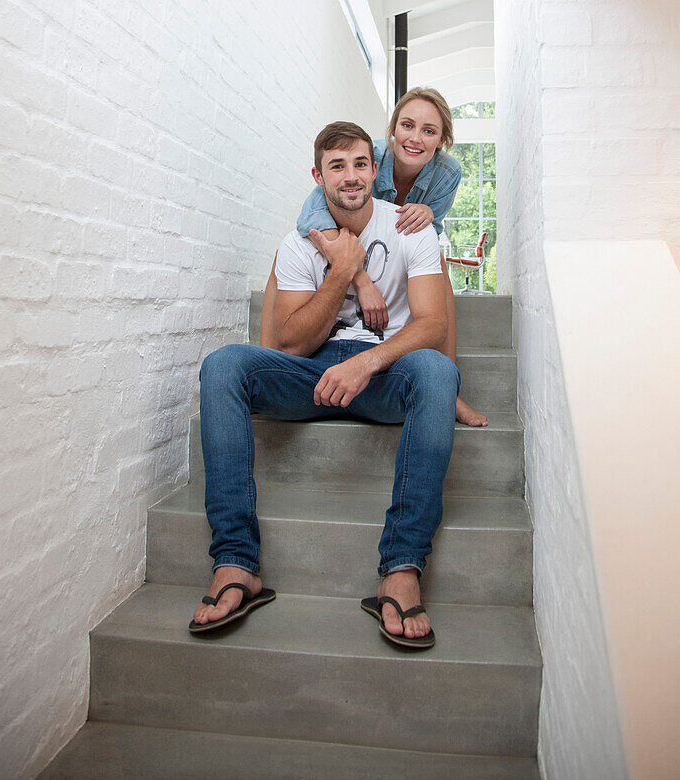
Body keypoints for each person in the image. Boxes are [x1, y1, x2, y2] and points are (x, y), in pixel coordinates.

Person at [190, 122, 460, 649]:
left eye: (360, 163)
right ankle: (236, 562)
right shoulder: (297, 243)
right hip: (310, 373)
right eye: (337, 166)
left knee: (438, 371)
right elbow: (290, 345)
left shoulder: (413, 230)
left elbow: (431, 324)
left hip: (384, 373)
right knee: (222, 365)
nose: (351, 176)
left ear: (374, 169)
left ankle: (402, 566)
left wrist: (366, 364)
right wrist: (342, 271)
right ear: (319, 176)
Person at [259, 87, 487, 428]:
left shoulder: (448, 174)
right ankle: (270, 361)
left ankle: (447, 388)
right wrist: (360, 279)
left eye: (429, 131)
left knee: (437, 263)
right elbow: (311, 219)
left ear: (441, 141)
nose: (415, 138)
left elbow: (427, 231)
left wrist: (425, 212)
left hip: (393, 254)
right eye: (407, 126)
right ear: (393, 130)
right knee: (283, 254)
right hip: (344, 240)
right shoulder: (364, 155)